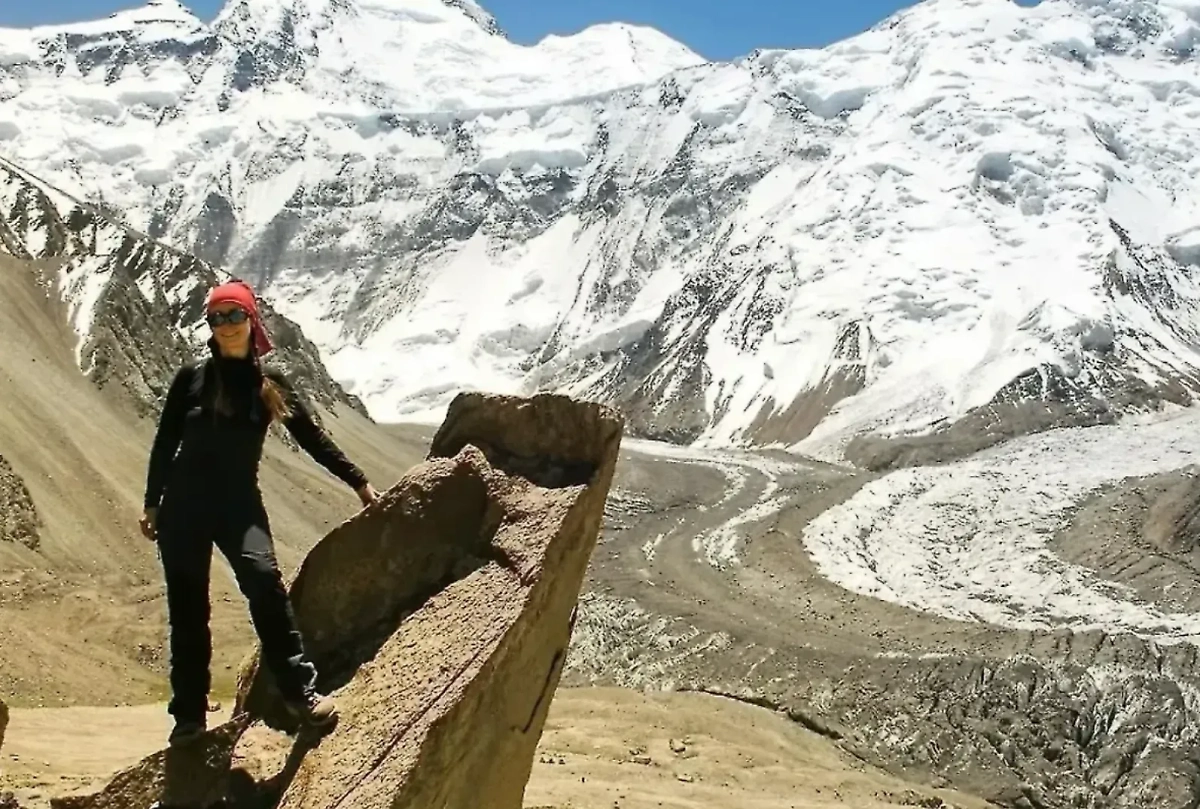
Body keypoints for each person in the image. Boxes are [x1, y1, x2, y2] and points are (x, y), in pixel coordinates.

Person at [138, 279, 378, 746]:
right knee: (188, 611)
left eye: (234, 315)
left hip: (238, 506)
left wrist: (359, 482)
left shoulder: (271, 385)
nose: (226, 325)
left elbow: (313, 439)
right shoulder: (191, 378)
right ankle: (188, 718)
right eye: (217, 317)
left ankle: (301, 694)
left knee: (265, 584)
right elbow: (165, 442)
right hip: (183, 507)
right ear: (209, 326)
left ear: (251, 320)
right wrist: (152, 501)